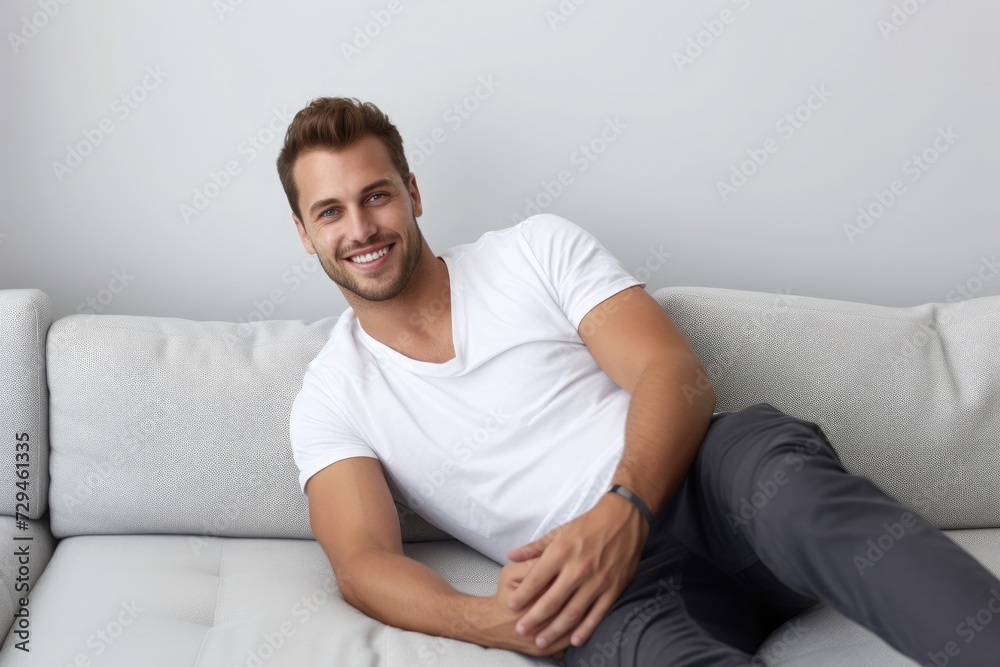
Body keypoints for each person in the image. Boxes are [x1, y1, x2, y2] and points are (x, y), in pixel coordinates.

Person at [277, 97, 1000, 666]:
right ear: (306, 234)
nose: (361, 227)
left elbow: (673, 373)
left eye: (375, 195)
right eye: (330, 211)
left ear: (412, 192)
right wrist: (491, 621)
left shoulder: (532, 250)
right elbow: (363, 561)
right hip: (603, 588)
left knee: (798, 499)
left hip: (704, 481)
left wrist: (624, 507)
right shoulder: (333, 396)